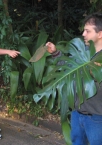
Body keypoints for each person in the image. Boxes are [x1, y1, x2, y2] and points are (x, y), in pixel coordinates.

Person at [46, 12, 102, 145]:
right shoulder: (84, 52)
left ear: (100, 34)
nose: (83, 34)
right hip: (77, 114)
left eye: (87, 31)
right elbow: (69, 67)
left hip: (97, 118)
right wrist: (55, 53)